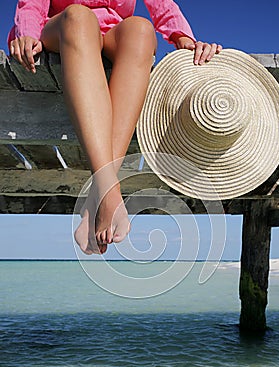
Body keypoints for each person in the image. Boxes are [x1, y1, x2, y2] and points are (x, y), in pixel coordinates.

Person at [9, 0, 222, 255]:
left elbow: (162, 4)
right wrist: (27, 33)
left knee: (141, 29)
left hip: (110, 31)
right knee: (79, 16)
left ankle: (95, 199)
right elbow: (31, 4)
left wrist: (182, 37)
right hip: (61, 29)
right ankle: (110, 193)